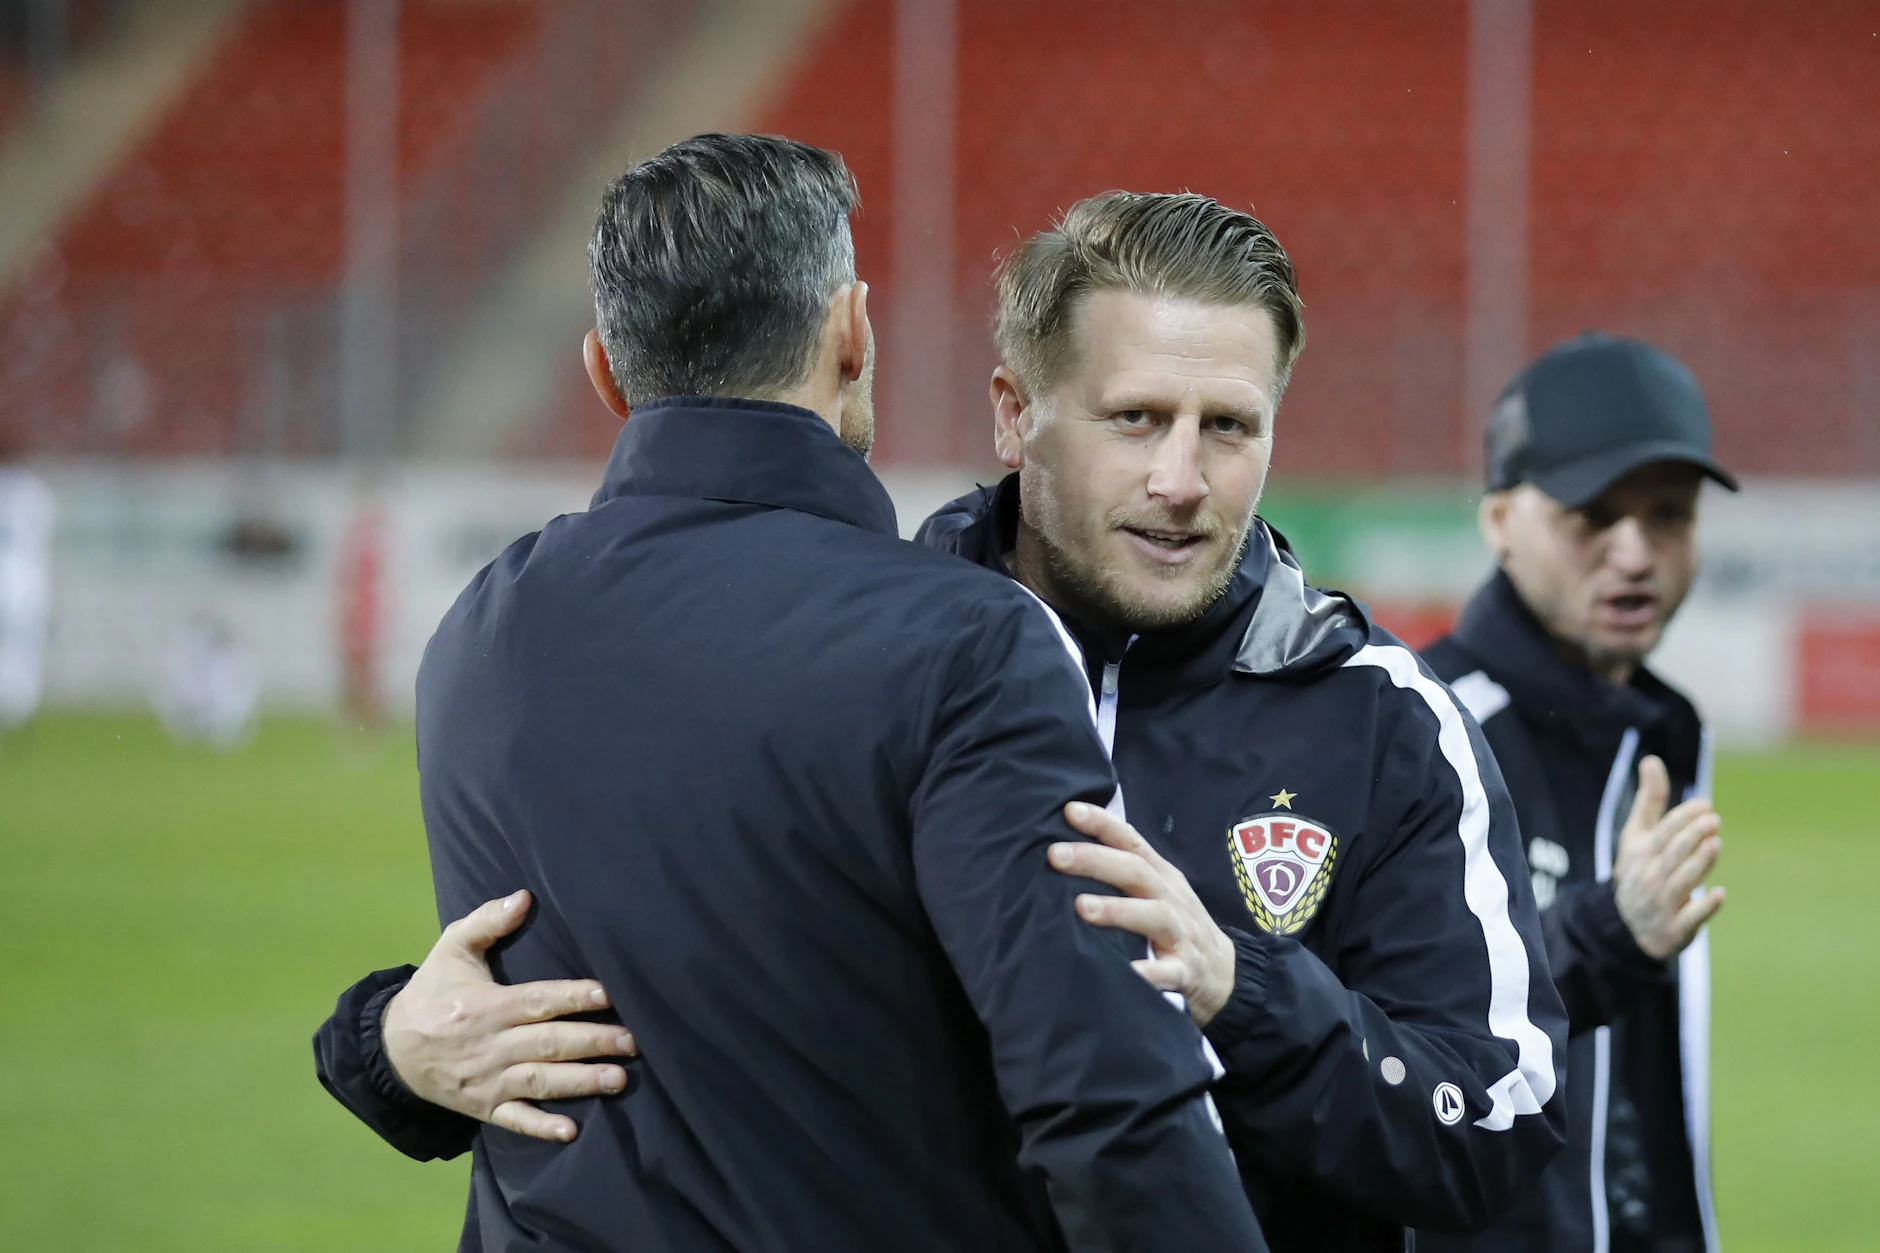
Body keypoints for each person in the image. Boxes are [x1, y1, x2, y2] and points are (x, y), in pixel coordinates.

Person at [317, 189, 1570, 1252]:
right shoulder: (866, 657)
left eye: (1226, 427)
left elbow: (1498, 1123)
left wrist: (1238, 986)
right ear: (1014, 412)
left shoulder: (1377, 718)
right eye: (1133, 418)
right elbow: (657, 948)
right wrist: (389, 1040)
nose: (1180, 480)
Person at [1420, 332, 1732, 1253]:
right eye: (1591, 515)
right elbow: (1397, 1030)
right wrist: (1611, 931)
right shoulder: (1417, 727)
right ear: (1499, 521)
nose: (1634, 553)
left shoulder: (1666, 732)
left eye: (1668, 515)